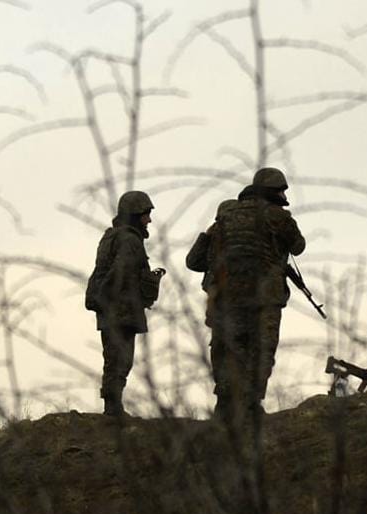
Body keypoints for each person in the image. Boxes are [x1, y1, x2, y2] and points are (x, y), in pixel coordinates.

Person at [186, 168, 305, 426]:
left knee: (229, 350)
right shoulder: (278, 217)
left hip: (227, 298)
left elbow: (194, 262)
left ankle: (224, 405)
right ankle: (251, 406)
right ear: (274, 192)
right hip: (264, 298)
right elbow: (298, 246)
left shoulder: (225, 218)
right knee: (261, 350)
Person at [85, 190, 164, 416]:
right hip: (120, 309)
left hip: (112, 308)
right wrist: (107, 298)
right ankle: (113, 407)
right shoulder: (129, 240)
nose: (149, 220)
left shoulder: (112, 236)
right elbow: (119, 272)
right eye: (145, 215)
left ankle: (112, 405)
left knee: (113, 358)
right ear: (134, 215)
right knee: (121, 359)